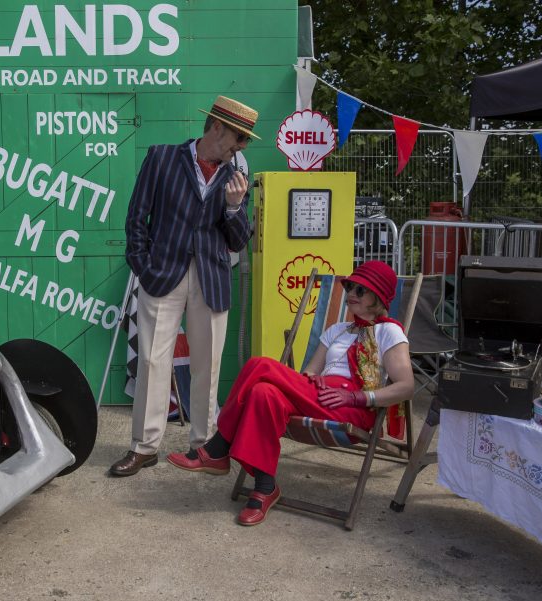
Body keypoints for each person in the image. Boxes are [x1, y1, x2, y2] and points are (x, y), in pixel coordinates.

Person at [166, 261, 415, 525]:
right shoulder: (337, 330)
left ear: (377, 297)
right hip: (318, 395)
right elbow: (308, 373)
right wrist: (312, 380)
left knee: (258, 365)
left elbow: (406, 386)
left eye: (361, 290)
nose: (351, 293)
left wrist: (356, 397)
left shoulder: (389, 332)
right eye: (350, 287)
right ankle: (264, 487)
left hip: (352, 407)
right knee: (263, 392)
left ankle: (218, 448)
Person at [109, 96, 259, 477]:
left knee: (207, 366)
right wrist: (143, 266)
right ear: (216, 127)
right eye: (239, 138)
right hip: (162, 274)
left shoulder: (236, 176)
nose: (240, 148)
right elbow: (136, 217)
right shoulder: (161, 158)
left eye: (244, 143)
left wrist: (233, 206)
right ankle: (144, 447)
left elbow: (239, 240)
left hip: (211, 278)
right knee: (151, 361)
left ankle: (204, 446)